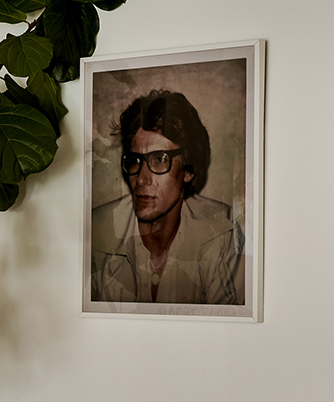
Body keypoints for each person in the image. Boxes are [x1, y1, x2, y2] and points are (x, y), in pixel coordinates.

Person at [91, 89, 243, 305]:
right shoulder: (97, 229)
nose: (142, 179)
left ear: (188, 170)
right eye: (135, 160)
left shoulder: (220, 230)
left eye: (159, 159)